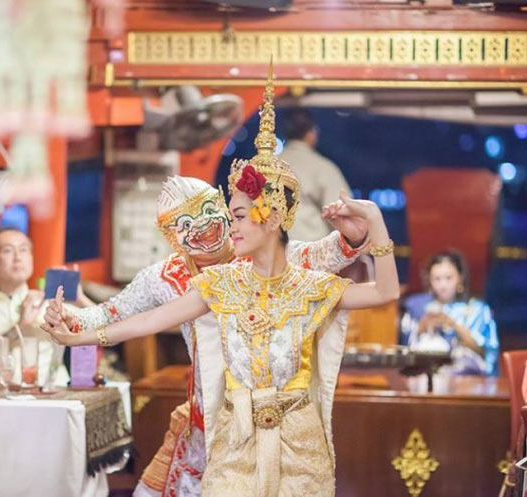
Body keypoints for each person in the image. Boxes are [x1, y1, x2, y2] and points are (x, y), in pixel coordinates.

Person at [43, 69, 399, 497]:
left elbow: (343, 259)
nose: (211, 228)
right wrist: (76, 328)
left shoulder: (288, 268)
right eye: (186, 225)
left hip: (294, 430)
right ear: (173, 237)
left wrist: (369, 225)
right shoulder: (192, 280)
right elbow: (127, 317)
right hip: (217, 418)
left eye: (218, 213)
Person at [62, 174, 368, 497]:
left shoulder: (263, 254)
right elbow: (113, 313)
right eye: (183, 223)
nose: (201, 225)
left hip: (266, 421)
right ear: (171, 237)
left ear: (225, 208)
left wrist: (354, 234)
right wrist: (70, 320)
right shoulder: (165, 278)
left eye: (208, 210)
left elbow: (325, 254)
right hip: (203, 419)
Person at [0, 228, 89, 385]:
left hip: (54, 394)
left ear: (31, 258)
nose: (18, 257)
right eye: (7, 250)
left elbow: (107, 329)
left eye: (23, 250)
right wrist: (20, 328)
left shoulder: (50, 302)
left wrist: (81, 300)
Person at [400, 250, 499, 376]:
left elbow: (487, 352)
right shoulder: (416, 306)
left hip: (467, 379)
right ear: (429, 280)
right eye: (437, 279)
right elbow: (405, 350)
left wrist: (454, 325)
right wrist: (422, 327)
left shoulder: (477, 309)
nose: (443, 285)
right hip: (423, 374)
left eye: (448, 278)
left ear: (460, 278)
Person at [280, 108, 351, 242]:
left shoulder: (269, 165)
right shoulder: (323, 167)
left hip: (273, 247)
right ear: (312, 133)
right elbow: (341, 212)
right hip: (311, 248)